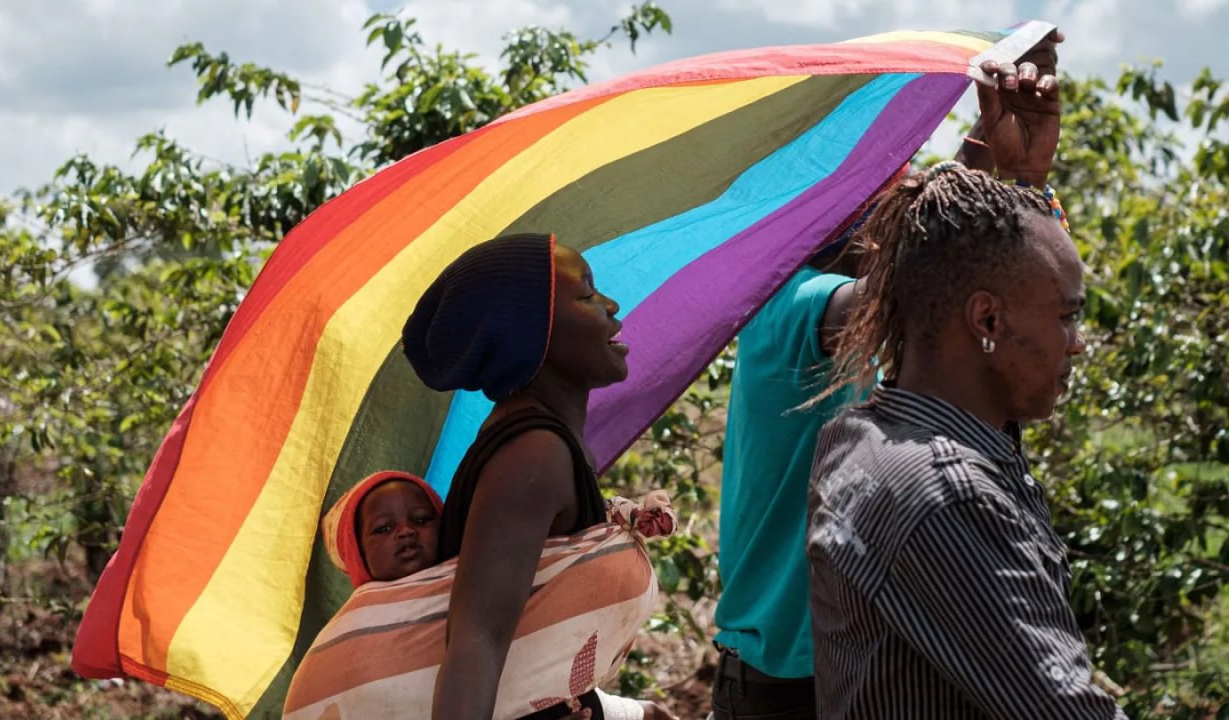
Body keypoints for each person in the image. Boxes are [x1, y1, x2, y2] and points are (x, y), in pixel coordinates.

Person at [711, 31, 1066, 720]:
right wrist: (1018, 183)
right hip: (782, 686)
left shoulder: (861, 296)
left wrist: (1006, 152)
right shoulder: (789, 309)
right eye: (890, 195)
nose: (902, 202)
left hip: (858, 664)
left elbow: (925, 256)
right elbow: (917, 286)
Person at [804, 129, 1125, 719]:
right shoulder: (947, 497)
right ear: (987, 320)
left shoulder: (865, 435)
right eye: (1067, 317)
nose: (1077, 345)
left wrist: (1029, 184)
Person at [400, 233, 677, 720]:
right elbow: (475, 644)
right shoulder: (533, 453)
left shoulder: (544, 444)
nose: (611, 304)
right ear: (532, 334)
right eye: (587, 294)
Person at [283, 470, 674, 720]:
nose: (406, 532)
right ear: (358, 554)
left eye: (422, 520)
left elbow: (532, 667)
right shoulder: (345, 646)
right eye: (383, 529)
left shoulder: (487, 582)